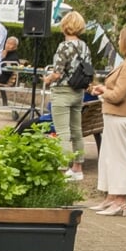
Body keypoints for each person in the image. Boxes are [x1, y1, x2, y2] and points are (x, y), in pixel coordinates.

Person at [88, 25, 126, 216]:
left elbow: (117, 95)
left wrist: (102, 90)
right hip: (115, 114)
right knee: (108, 157)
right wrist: (103, 90)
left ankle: (120, 201)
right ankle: (110, 197)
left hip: (121, 114)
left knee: (118, 159)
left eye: (122, 38)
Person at [43, 11, 93, 180]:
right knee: (77, 131)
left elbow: (57, 73)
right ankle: (77, 168)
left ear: (65, 26)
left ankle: (62, 169)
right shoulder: (84, 46)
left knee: (62, 132)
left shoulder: (63, 46)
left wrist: (47, 78)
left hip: (62, 91)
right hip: (78, 91)